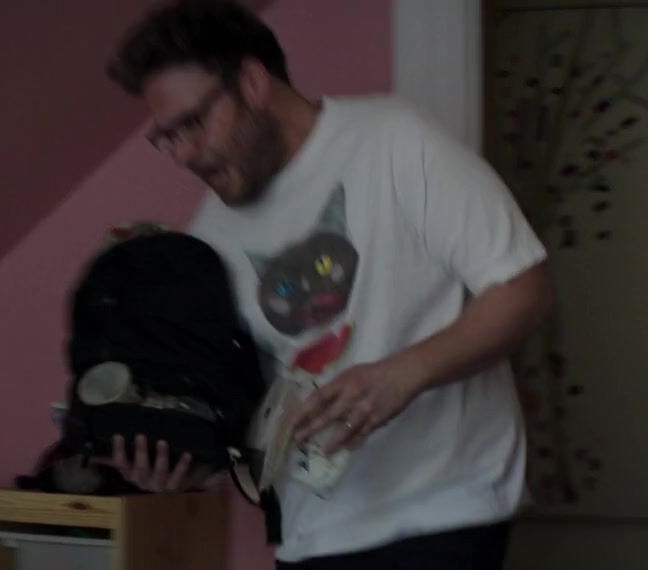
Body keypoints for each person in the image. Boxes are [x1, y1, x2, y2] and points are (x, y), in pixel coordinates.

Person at [96, 2, 554, 568]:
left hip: (443, 508)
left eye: (192, 123)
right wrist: (187, 461)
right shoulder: (209, 237)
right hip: (311, 534)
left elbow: (523, 290)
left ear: (252, 82)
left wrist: (402, 375)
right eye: (165, 137)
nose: (183, 154)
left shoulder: (394, 141)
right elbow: (245, 407)